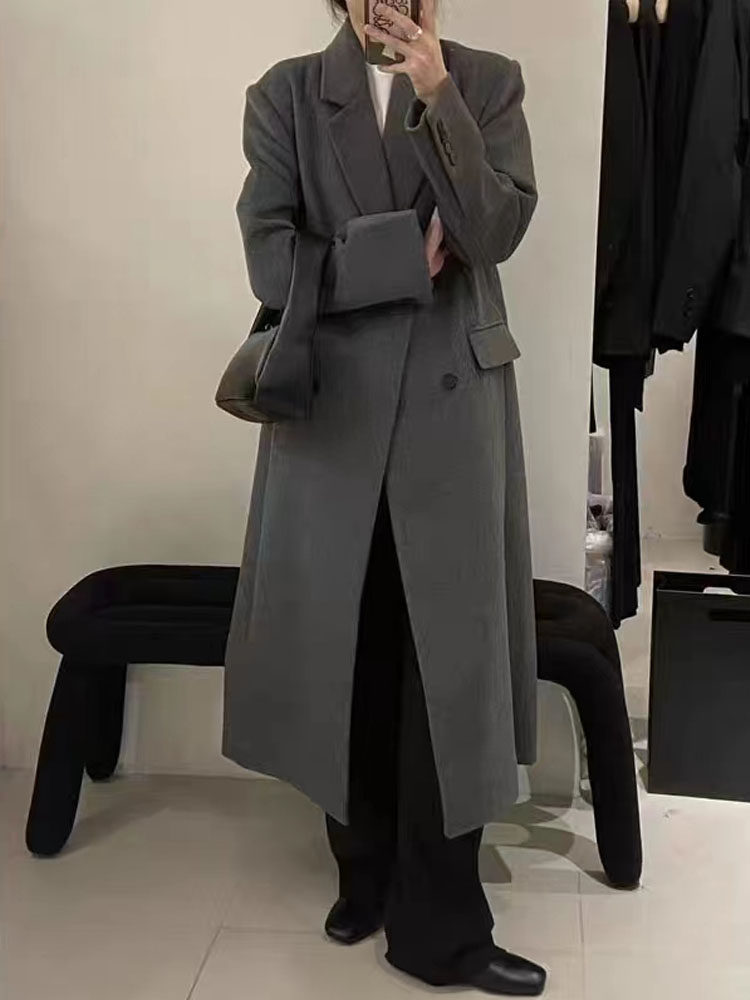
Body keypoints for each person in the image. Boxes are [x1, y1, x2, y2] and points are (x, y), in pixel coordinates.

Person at [222, 0, 545, 994]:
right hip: (334, 415)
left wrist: (437, 95)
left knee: (448, 666)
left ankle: (442, 927)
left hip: (451, 414)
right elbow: (271, 259)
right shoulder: (285, 95)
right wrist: (401, 256)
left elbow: (492, 231)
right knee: (344, 647)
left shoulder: (484, 81)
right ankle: (362, 871)